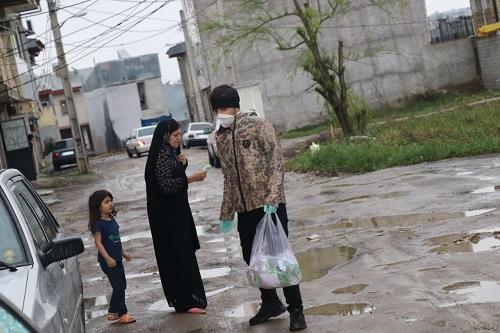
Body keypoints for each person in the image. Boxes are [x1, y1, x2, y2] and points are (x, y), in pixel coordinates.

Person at [210, 84, 307, 331]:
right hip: (244, 209)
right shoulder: (220, 136)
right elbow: (229, 178)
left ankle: (296, 311)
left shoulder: (258, 125)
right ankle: (271, 303)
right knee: (252, 258)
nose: (221, 113)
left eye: (224, 108)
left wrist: (273, 198)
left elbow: (276, 162)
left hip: (268, 206)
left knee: (278, 259)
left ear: (235, 106)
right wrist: (226, 213)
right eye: (217, 109)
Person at [144, 119, 208, 314]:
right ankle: (186, 302)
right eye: (175, 135)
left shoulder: (169, 154)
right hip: (168, 221)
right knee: (178, 257)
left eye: (180, 134)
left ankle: (189, 300)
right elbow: (167, 186)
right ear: (165, 137)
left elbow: (173, 178)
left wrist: (182, 164)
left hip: (176, 215)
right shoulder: (161, 157)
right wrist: (191, 178)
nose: (179, 138)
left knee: (184, 255)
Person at [88, 190, 136, 325]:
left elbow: (116, 240)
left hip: (117, 259)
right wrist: (107, 258)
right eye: (106, 202)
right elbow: (98, 242)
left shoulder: (111, 219)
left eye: (111, 201)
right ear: (98, 206)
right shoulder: (98, 224)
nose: (110, 204)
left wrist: (123, 253)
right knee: (119, 286)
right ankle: (122, 314)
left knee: (122, 285)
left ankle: (112, 312)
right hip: (107, 261)